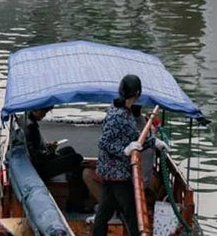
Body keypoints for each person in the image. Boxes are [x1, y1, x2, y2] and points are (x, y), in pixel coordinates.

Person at [92, 75, 169, 236]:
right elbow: (103, 142)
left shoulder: (125, 112)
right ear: (137, 94)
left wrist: (154, 142)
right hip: (117, 174)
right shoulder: (117, 114)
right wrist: (124, 151)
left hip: (112, 174)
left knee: (103, 213)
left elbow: (136, 137)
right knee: (134, 216)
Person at [25, 106, 93, 213]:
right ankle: (77, 203)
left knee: (68, 150)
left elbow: (36, 150)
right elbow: (37, 156)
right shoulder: (30, 128)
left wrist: (48, 147)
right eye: (43, 112)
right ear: (35, 110)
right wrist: (51, 151)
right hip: (39, 168)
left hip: (39, 161)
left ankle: (73, 183)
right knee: (76, 158)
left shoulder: (29, 123)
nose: (44, 115)